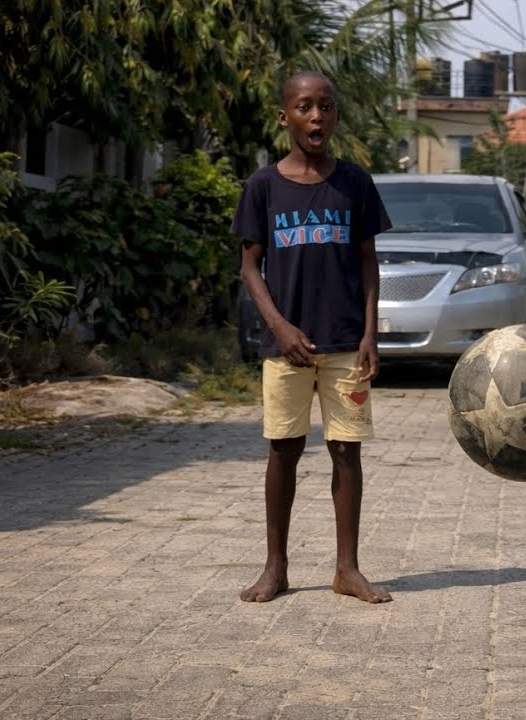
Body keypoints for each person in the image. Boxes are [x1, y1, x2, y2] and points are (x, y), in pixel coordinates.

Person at [233, 70, 393, 603]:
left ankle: (347, 570)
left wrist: (370, 332)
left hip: (346, 341)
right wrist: (278, 326)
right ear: (286, 117)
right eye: (304, 107)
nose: (316, 117)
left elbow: (369, 263)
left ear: (335, 115)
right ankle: (275, 567)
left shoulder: (355, 183)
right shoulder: (263, 185)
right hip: (287, 348)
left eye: (325, 106)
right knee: (284, 449)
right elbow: (250, 269)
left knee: (347, 451)